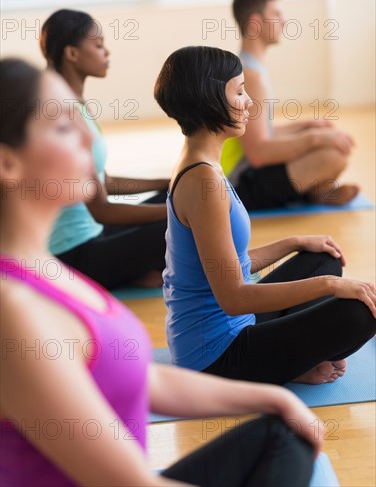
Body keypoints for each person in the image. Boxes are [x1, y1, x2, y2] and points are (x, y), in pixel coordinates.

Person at [0, 58, 320, 487]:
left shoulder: (50, 273)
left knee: (283, 434)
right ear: (7, 164)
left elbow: (139, 375)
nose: (85, 136)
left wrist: (275, 397)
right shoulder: (14, 312)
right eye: (61, 126)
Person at [154, 45, 376, 384]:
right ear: (211, 99)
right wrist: (331, 286)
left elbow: (229, 266)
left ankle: (297, 360)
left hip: (233, 327)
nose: (250, 102)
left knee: (322, 257)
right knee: (360, 311)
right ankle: (298, 366)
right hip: (217, 357)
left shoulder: (202, 163)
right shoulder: (203, 182)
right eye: (239, 91)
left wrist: (294, 242)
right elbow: (234, 297)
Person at [40, 9, 168, 289]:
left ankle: (137, 273)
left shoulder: (74, 104)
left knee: (176, 195)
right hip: (76, 256)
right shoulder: (60, 111)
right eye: (98, 45)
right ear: (72, 53)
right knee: (184, 222)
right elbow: (103, 210)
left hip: (98, 234)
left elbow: (104, 182)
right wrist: (175, 210)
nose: (106, 52)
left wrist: (168, 184)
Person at [221, 0, 359, 210]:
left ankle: (314, 191)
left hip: (249, 169)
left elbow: (259, 134)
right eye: (276, 14)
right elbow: (257, 153)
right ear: (255, 23)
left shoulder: (250, 67)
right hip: (240, 185)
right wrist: (315, 138)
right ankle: (313, 192)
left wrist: (309, 126)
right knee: (334, 156)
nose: (284, 21)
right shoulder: (251, 76)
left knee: (322, 133)